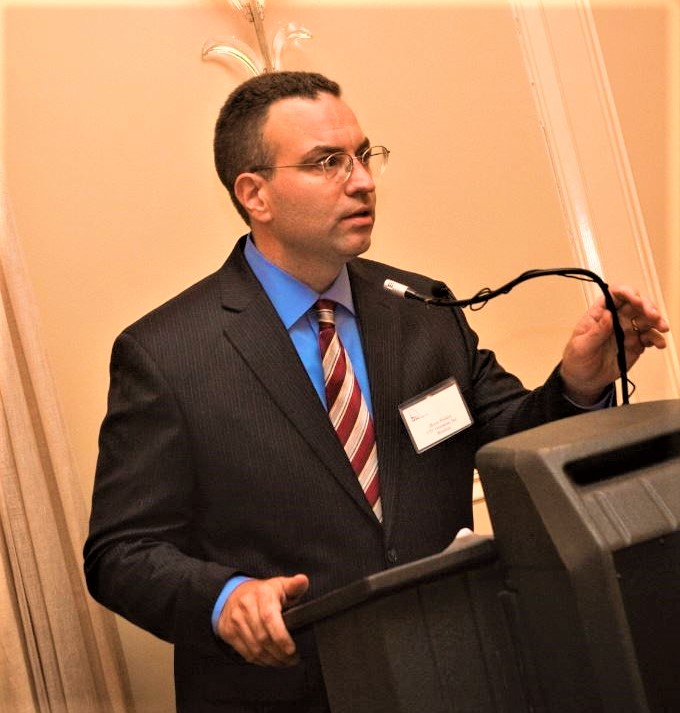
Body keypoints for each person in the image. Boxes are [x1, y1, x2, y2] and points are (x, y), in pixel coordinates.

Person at [83, 71, 669, 713]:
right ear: (256, 193)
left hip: (459, 669)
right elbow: (123, 552)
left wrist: (579, 383)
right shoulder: (168, 353)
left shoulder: (420, 307)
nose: (361, 180)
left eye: (364, 155)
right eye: (326, 162)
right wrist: (225, 599)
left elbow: (510, 436)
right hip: (292, 691)